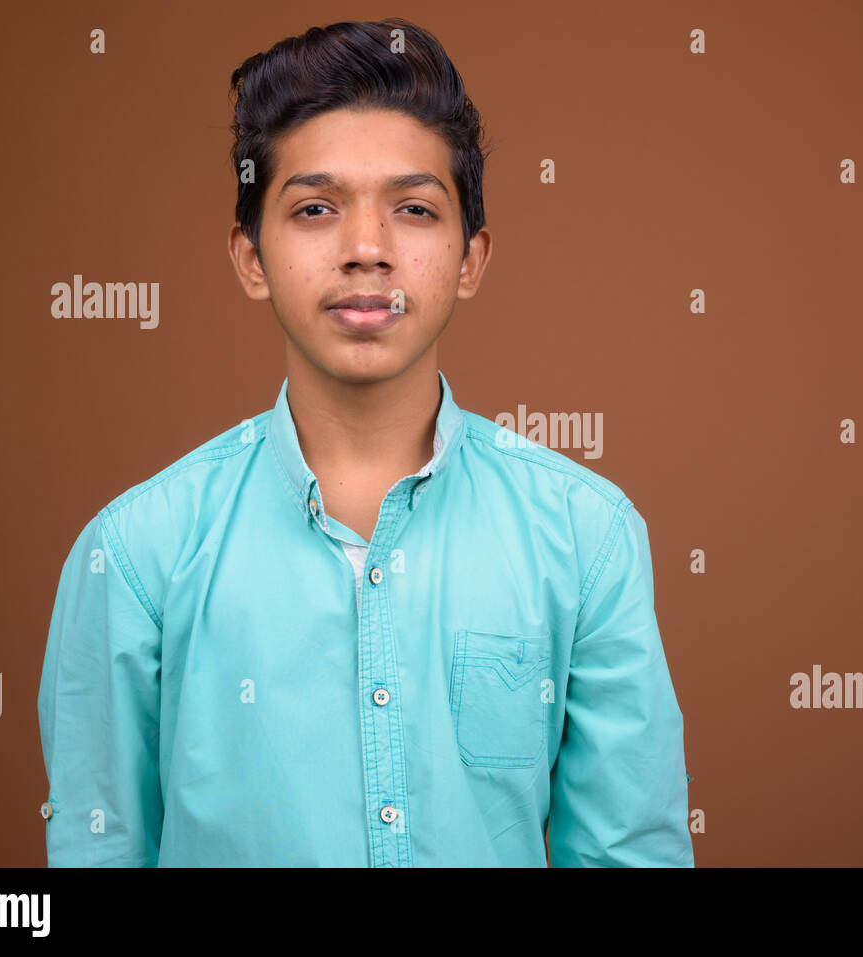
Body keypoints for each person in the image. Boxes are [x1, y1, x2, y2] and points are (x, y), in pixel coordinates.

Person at [37, 17, 693, 867]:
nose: (366, 250)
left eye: (414, 209)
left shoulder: (586, 536)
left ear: (470, 257)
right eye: (315, 208)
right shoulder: (132, 555)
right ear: (250, 256)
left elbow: (628, 855)